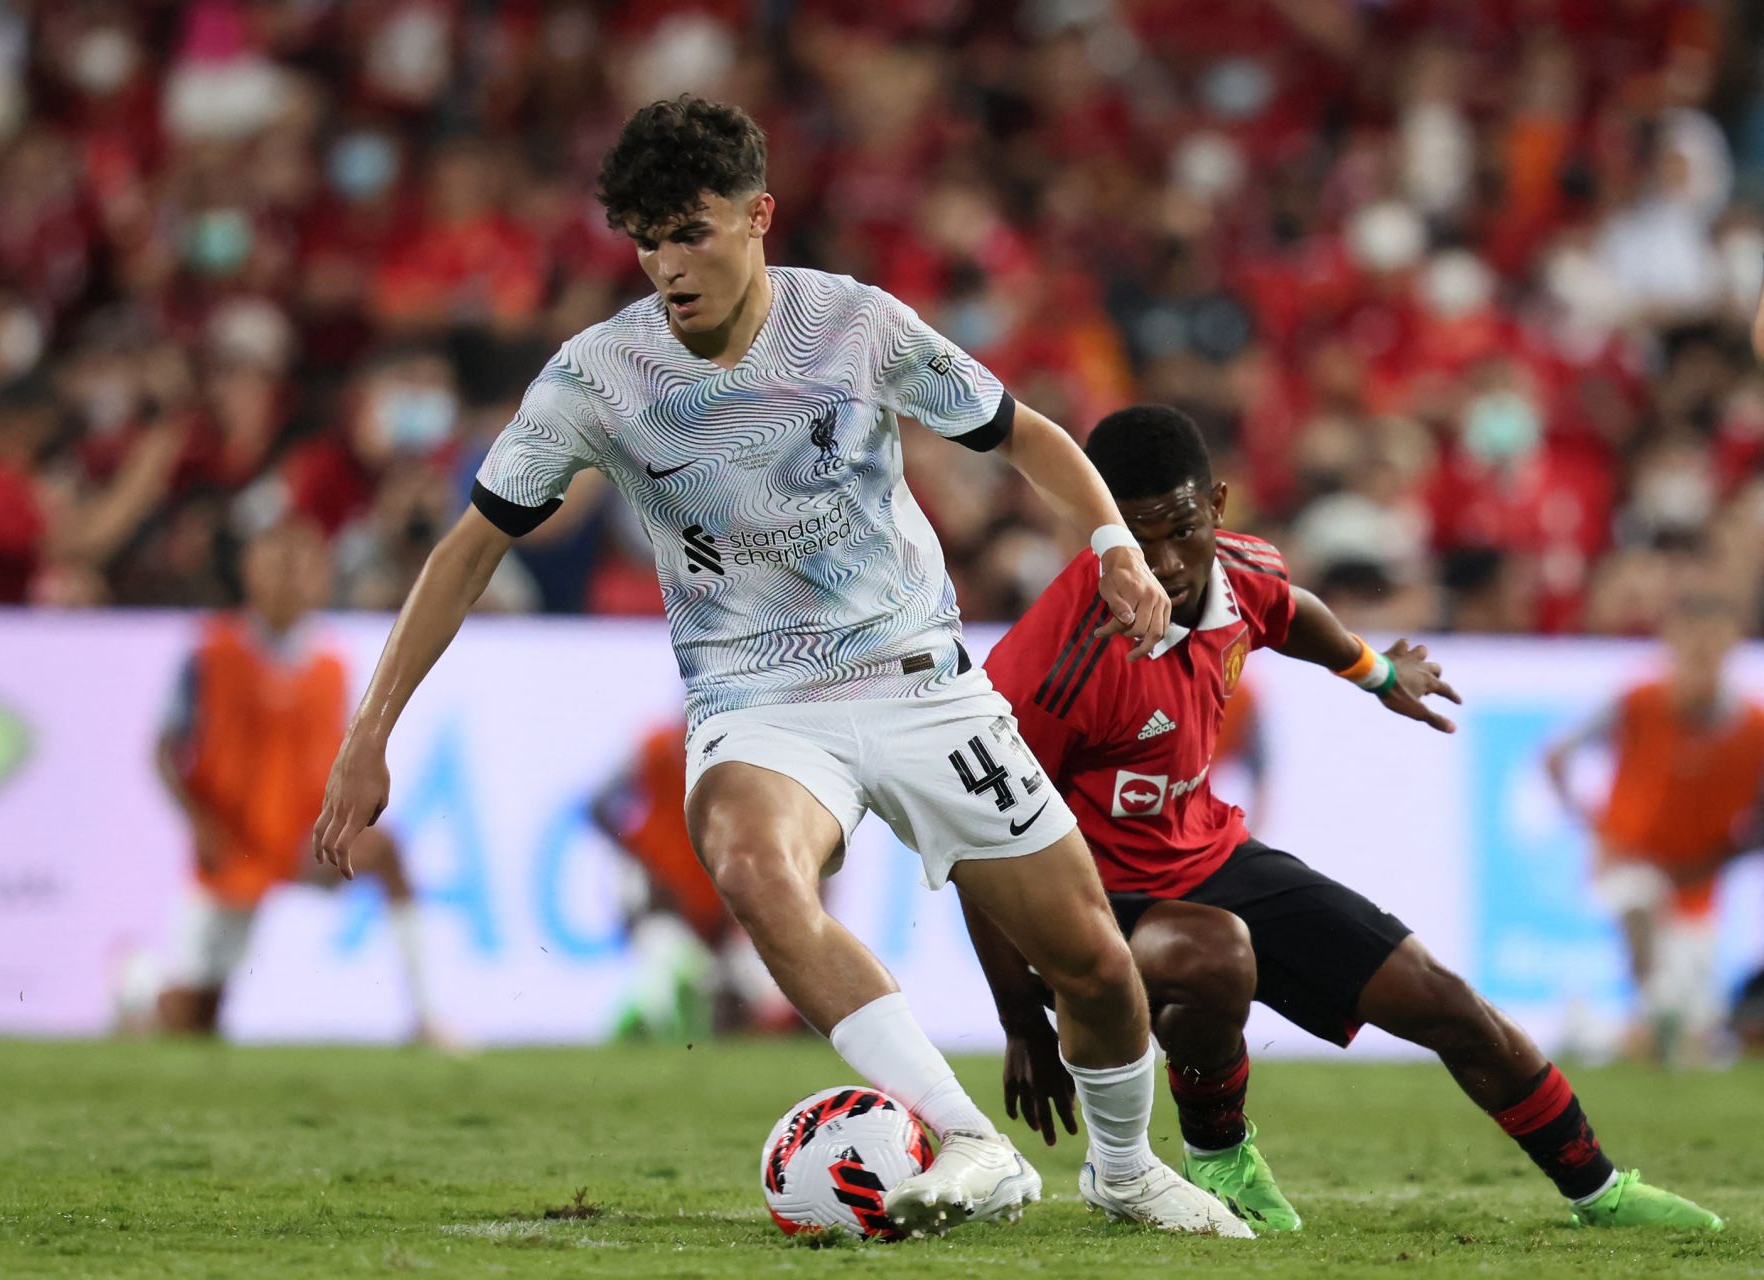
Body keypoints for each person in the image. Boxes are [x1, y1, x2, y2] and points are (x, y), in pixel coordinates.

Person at [312, 96, 1249, 1239]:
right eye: (647, 240)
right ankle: (966, 1137)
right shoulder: (594, 379)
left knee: (1096, 967)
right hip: (757, 698)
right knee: (752, 861)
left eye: (692, 231)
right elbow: (469, 550)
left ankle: (1124, 1169)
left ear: (759, 216)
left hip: (919, 678)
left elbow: (1026, 433)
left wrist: (1110, 542)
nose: (667, 265)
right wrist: (370, 733)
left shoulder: (856, 325)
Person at [975, 405, 1724, 1233]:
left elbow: (1292, 613)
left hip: (1210, 852)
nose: (1164, 563)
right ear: (1100, 530)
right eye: (1135, 537)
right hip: (1092, 902)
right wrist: (1020, 1026)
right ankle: (1217, 1154)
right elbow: (982, 838)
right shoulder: (1052, 663)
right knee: (1214, 952)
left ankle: (1599, 1190)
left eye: (1181, 531)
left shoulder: (1241, 569)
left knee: (1445, 1001)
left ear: (1217, 506)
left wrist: (1375, 672)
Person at [156, 518, 446, 1044]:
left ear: (321, 579)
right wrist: (199, 824)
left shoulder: (332, 665)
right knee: (194, 1018)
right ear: (249, 574)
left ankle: (425, 1018)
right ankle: (135, 992)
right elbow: (163, 750)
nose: (289, 581)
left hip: (301, 838)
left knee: (387, 854)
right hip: (233, 843)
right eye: (276, 566)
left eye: (302, 567)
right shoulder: (210, 654)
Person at [1545, 591, 1764, 1066]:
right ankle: (1654, 1005)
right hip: (1630, 856)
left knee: (1694, 1043)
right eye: (1693, 640)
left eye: (1714, 641)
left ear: (1732, 645)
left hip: (1695, 883)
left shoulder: (1753, 726)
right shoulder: (1637, 702)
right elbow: (1556, 755)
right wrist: (1592, 827)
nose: (1703, 653)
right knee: (1635, 900)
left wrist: (1721, 857)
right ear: (1672, 642)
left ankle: (1588, 1033)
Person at [589, 719, 795, 1041]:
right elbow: (597, 804)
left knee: (761, 994)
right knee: (673, 976)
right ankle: (640, 1029)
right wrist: (643, 856)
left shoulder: (745, 751)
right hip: (665, 903)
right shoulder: (659, 747)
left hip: (718, 906)